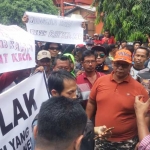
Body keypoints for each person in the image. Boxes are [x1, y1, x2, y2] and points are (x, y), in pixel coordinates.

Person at [86, 49, 149, 149]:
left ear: (130, 66)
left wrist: (142, 140)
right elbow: (91, 102)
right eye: (117, 64)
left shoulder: (139, 88)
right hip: (101, 138)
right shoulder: (101, 81)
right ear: (112, 63)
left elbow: (146, 115)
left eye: (124, 65)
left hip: (126, 142)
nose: (120, 68)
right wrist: (86, 125)